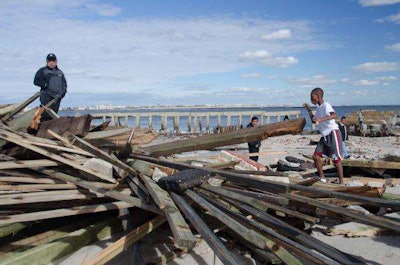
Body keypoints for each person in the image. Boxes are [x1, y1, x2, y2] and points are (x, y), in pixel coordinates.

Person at [304, 87, 344, 184]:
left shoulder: (326, 105)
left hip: (332, 133)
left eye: (312, 96)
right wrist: (309, 111)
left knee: (336, 159)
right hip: (325, 135)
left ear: (318, 96)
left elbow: (334, 115)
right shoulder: (319, 108)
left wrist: (320, 120)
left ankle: (341, 182)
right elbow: (314, 120)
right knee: (316, 157)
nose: (311, 99)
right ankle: (322, 178)